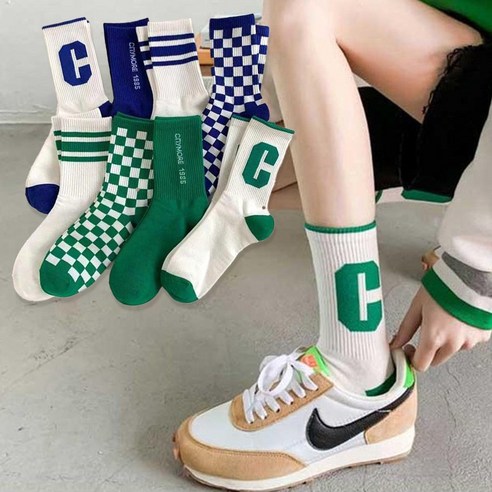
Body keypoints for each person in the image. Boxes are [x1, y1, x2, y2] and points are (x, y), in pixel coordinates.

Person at [173, 1, 492, 490]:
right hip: (462, 86)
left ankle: (358, 373)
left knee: (302, 7)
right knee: (224, 173)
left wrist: (475, 267)